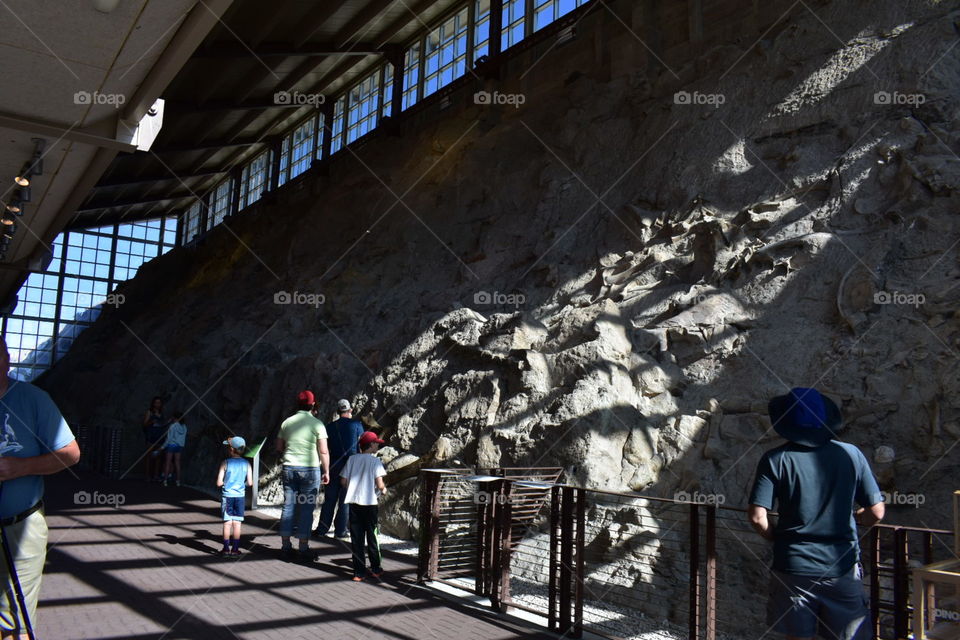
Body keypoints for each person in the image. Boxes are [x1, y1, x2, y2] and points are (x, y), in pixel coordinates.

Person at [748, 387, 885, 640]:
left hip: (793, 567)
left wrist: (776, 538)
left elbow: (758, 516)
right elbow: (876, 512)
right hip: (841, 566)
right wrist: (856, 518)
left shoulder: (775, 459)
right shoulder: (851, 454)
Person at [0, 337, 80, 639]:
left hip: (21, 524)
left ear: (6, 359)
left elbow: (70, 453)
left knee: (15, 618)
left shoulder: (34, 399)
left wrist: (22, 467)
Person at [276, 390, 330, 561]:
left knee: (289, 506)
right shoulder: (317, 424)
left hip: (289, 468)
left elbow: (279, 447)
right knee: (306, 508)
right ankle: (303, 548)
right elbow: (323, 450)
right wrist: (326, 470)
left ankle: (285, 546)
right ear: (313, 404)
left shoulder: (287, 422)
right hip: (309, 469)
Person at [340, 431, 387, 582]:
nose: (378, 446)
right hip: (370, 503)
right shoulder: (375, 461)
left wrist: (353, 488)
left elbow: (343, 481)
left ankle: (358, 572)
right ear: (371, 444)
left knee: (357, 538)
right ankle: (375, 569)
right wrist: (384, 490)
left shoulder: (352, 459)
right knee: (372, 536)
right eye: (376, 443)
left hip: (354, 503)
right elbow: (380, 484)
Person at [314, 398, 364, 540]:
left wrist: (325, 470)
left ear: (337, 411)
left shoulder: (330, 427)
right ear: (350, 410)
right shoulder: (357, 425)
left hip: (334, 464)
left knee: (329, 499)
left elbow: (326, 449)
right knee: (345, 500)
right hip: (351, 466)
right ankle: (340, 531)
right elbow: (361, 447)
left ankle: (322, 529)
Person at [216, 436, 252, 557]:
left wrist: (228, 482)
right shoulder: (247, 464)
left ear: (231, 449)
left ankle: (226, 549)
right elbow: (250, 483)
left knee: (227, 523)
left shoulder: (225, 463)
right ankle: (235, 549)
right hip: (240, 497)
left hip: (228, 496)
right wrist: (241, 484)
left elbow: (219, 483)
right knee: (237, 524)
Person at [142, 396, 167, 482]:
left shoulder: (162, 414)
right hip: (151, 437)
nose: (157, 404)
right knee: (148, 457)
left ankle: (155, 476)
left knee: (158, 457)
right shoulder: (149, 412)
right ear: (153, 403)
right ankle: (147, 476)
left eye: (159, 402)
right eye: (156, 402)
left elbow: (162, 425)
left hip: (159, 437)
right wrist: (151, 422)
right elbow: (144, 425)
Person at [161, 412, 187, 486]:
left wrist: (162, 447)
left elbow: (169, 439)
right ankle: (178, 481)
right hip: (179, 446)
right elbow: (183, 438)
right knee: (177, 463)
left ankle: (165, 480)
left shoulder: (172, 426)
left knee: (168, 462)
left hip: (171, 445)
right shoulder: (184, 426)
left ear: (174, 418)